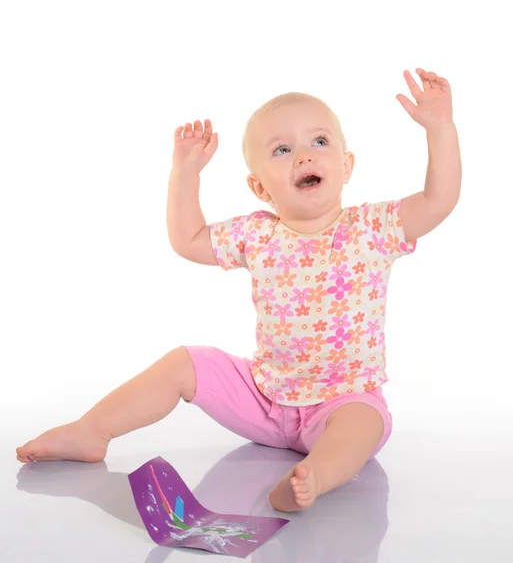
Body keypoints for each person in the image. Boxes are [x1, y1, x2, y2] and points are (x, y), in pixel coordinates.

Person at [16, 69, 461, 512]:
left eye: (319, 142)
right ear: (259, 186)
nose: (304, 157)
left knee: (364, 424)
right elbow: (188, 240)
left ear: (346, 166)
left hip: (342, 399)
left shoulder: (371, 228)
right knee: (184, 362)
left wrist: (440, 128)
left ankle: (315, 476)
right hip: (265, 397)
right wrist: (185, 172)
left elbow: (439, 199)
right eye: (282, 150)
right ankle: (92, 429)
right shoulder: (257, 234)